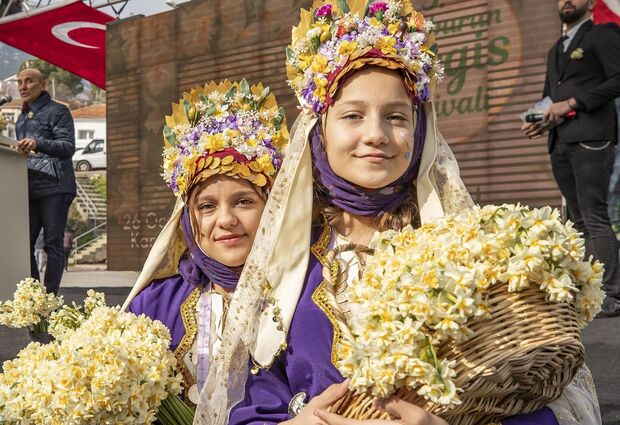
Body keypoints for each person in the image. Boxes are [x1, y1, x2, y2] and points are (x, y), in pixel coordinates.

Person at [195, 2, 602, 425]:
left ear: (420, 131)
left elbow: (545, 390)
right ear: (320, 131)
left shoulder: (469, 252)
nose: (375, 135)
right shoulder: (286, 262)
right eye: (352, 115)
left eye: (395, 117)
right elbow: (253, 397)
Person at [121, 80, 288, 404]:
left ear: (272, 209)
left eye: (243, 202)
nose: (225, 220)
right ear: (186, 218)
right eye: (207, 206)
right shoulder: (153, 308)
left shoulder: (299, 298)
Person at [521, 0, 620, 317]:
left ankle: (611, 295)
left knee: (594, 216)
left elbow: (617, 79)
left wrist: (574, 102)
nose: (567, 1)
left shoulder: (602, 35)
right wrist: (538, 119)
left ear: (590, 3)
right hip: (560, 140)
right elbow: (551, 96)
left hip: (592, 136)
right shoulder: (555, 49)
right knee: (577, 221)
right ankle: (588, 292)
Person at [15, 68, 76, 295]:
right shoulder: (21, 118)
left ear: (43, 84)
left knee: (53, 244)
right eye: (20, 82)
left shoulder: (58, 111)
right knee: (24, 246)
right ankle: (34, 299)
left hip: (56, 187)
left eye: (29, 81)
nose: (23, 86)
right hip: (30, 188)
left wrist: (37, 142)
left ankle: (50, 298)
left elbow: (67, 147)